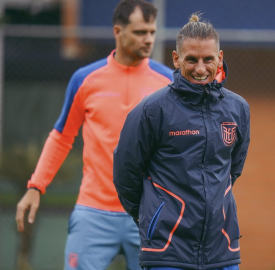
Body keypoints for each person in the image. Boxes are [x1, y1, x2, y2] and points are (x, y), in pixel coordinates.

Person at [15, 0, 173, 269]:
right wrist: (35, 186)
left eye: (152, 32)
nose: (148, 40)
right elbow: (62, 136)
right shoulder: (85, 79)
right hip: (94, 212)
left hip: (150, 214)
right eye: (139, 32)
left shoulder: (169, 83)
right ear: (118, 32)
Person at [113, 13, 250, 270]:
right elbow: (125, 173)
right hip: (167, 250)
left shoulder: (238, 108)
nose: (200, 69)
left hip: (222, 249)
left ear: (220, 58)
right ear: (176, 59)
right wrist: (152, 216)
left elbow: (233, 168)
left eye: (208, 59)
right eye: (191, 59)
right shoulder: (152, 110)